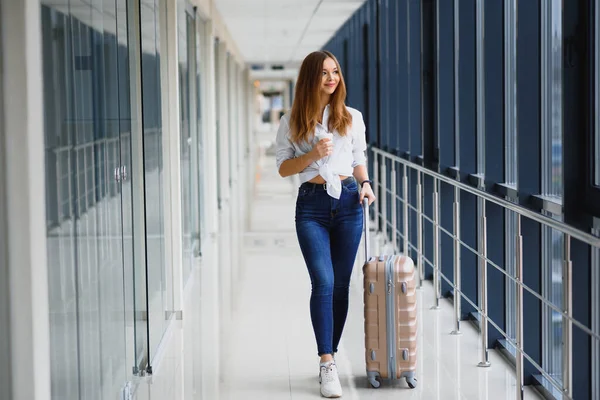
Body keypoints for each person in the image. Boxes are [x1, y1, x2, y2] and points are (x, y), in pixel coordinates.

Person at [275, 50, 376, 398]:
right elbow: (284, 168)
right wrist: (312, 156)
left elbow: (359, 159)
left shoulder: (352, 117)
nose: (331, 79)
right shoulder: (291, 121)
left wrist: (365, 184)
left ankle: (327, 352)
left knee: (341, 285)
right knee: (323, 280)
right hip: (312, 207)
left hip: (349, 202)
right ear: (310, 79)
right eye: (323, 73)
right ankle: (327, 362)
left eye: (335, 72)